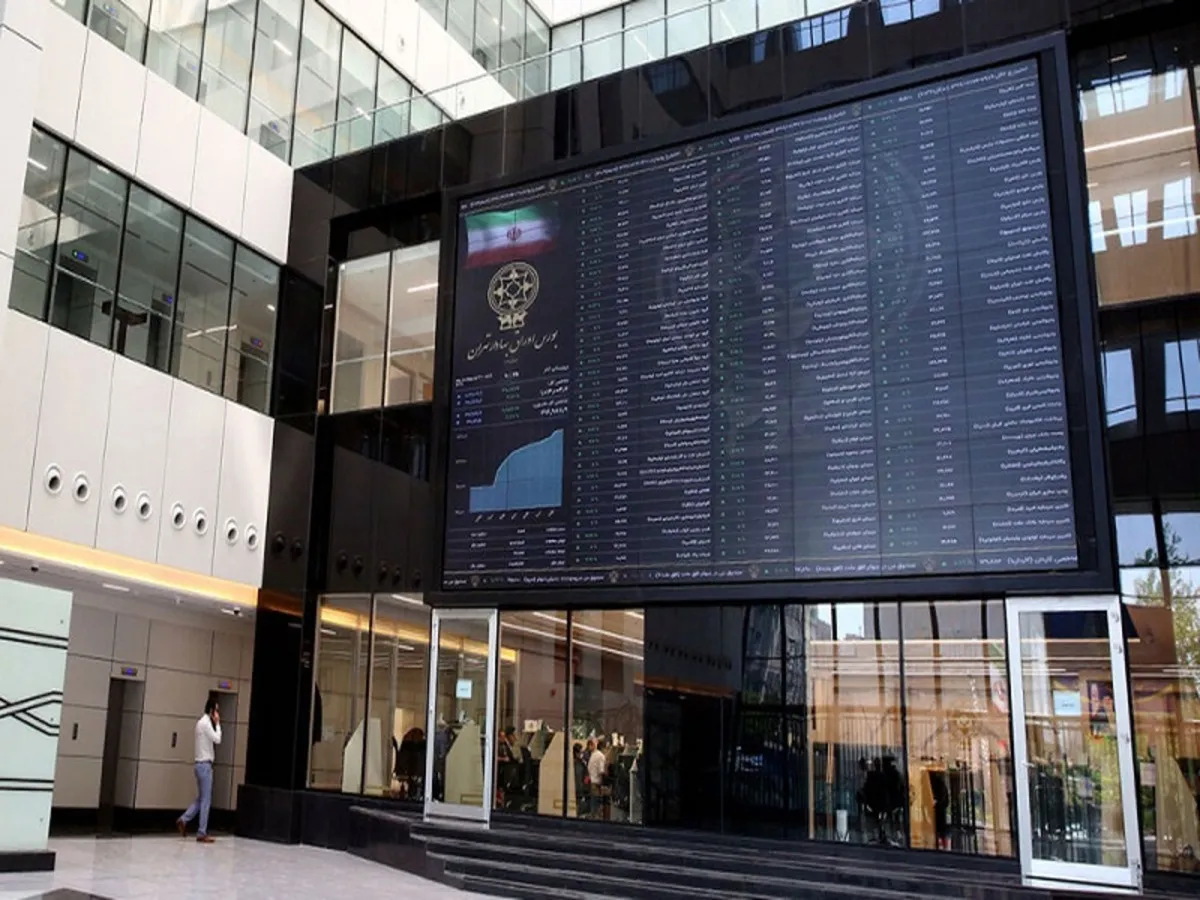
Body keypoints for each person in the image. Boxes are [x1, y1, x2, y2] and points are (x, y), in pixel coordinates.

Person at [177, 696, 221, 843]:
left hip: (199, 765)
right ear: (211, 710)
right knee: (206, 800)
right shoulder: (207, 724)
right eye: (216, 710)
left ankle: (184, 819)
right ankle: (202, 832)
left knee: (201, 798)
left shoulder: (199, 723)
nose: (217, 713)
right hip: (205, 765)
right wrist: (218, 724)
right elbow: (218, 739)